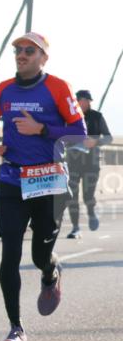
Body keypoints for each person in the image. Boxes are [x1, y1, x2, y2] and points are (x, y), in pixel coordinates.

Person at [0, 32, 86, 341]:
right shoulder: (3, 90)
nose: (21, 54)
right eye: (17, 50)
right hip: (12, 180)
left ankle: (50, 270)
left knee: (39, 254)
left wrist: (42, 129)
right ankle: (16, 328)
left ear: (43, 57)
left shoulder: (57, 87)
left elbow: (79, 134)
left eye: (29, 50)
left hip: (49, 181)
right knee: (9, 253)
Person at [62, 89, 113, 238]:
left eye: (87, 101)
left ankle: (91, 213)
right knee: (72, 195)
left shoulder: (97, 117)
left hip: (92, 162)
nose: (85, 103)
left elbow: (108, 138)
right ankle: (75, 228)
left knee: (87, 195)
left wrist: (95, 141)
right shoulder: (69, 118)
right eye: (81, 101)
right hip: (73, 162)